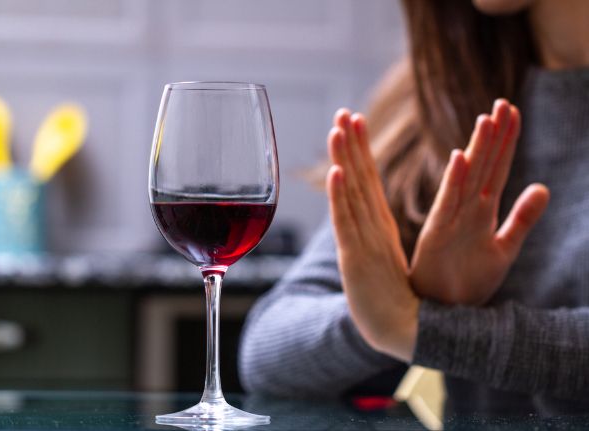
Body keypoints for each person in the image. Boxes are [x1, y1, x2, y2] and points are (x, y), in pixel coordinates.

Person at [238, 0, 589, 415]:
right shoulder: (434, 95)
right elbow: (266, 352)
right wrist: (410, 301)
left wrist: (416, 326)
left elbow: (407, 323)